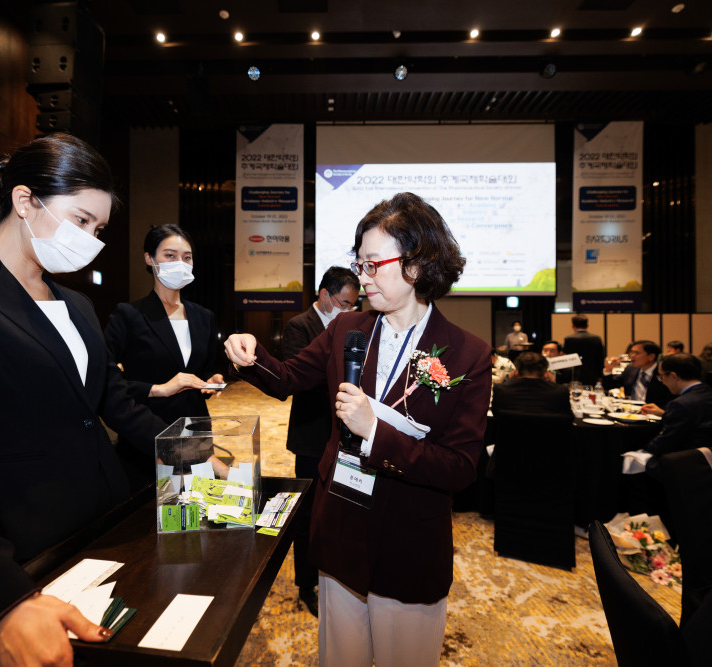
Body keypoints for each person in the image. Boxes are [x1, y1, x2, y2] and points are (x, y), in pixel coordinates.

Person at [0, 134, 168, 666]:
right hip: (22, 547)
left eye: (99, 229)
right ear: (24, 201)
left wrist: (189, 450)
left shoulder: (79, 304)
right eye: (81, 220)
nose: (90, 239)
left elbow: (115, 403)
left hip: (108, 531)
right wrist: (1, 598)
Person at [223, 192, 491, 667]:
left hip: (409, 540)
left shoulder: (467, 353)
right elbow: (287, 378)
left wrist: (374, 431)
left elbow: (460, 467)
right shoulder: (349, 328)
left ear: (416, 264)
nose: (362, 277)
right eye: (359, 264)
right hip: (342, 527)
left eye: (372, 265)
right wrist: (250, 354)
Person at [104, 224, 227, 489]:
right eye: (170, 255)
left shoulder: (203, 316)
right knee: (151, 510)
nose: (180, 263)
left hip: (195, 430)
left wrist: (211, 380)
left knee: (196, 505)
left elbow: (205, 368)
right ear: (149, 258)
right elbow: (105, 382)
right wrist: (158, 389)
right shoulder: (128, 315)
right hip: (147, 435)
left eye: (187, 257)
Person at [282, 265, 360, 617]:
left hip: (346, 435)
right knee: (308, 513)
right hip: (312, 435)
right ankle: (306, 583)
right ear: (324, 295)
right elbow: (298, 378)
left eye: (353, 305)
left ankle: (337, 574)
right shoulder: (299, 326)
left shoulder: (355, 327)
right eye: (344, 303)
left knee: (342, 509)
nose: (349, 310)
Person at [639, 354, 712, 475]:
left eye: (661, 376)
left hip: (687, 465)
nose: (662, 382)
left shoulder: (680, 404)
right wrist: (665, 413)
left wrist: (642, 448)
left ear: (673, 376)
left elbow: (666, 442)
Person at [492, 351, 572, 417]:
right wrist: (553, 384)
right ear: (545, 373)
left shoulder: (501, 390)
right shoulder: (560, 392)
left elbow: (496, 415)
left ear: (516, 372)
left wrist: (510, 381)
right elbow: (568, 418)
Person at [602, 340, 674, 409]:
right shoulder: (631, 369)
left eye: (637, 353)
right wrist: (608, 370)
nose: (632, 355)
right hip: (630, 411)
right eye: (631, 352)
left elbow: (669, 400)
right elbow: (610, 385)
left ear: (651, 357)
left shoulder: (664, 373)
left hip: (653, 413)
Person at [563, 314, 605, 385]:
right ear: (587, 325)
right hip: (592, 373)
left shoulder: (569, 339)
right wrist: (600, 375)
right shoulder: (596, 339)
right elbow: (600, 358)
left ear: (572, 325)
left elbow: (566, 357)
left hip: (574, 374)